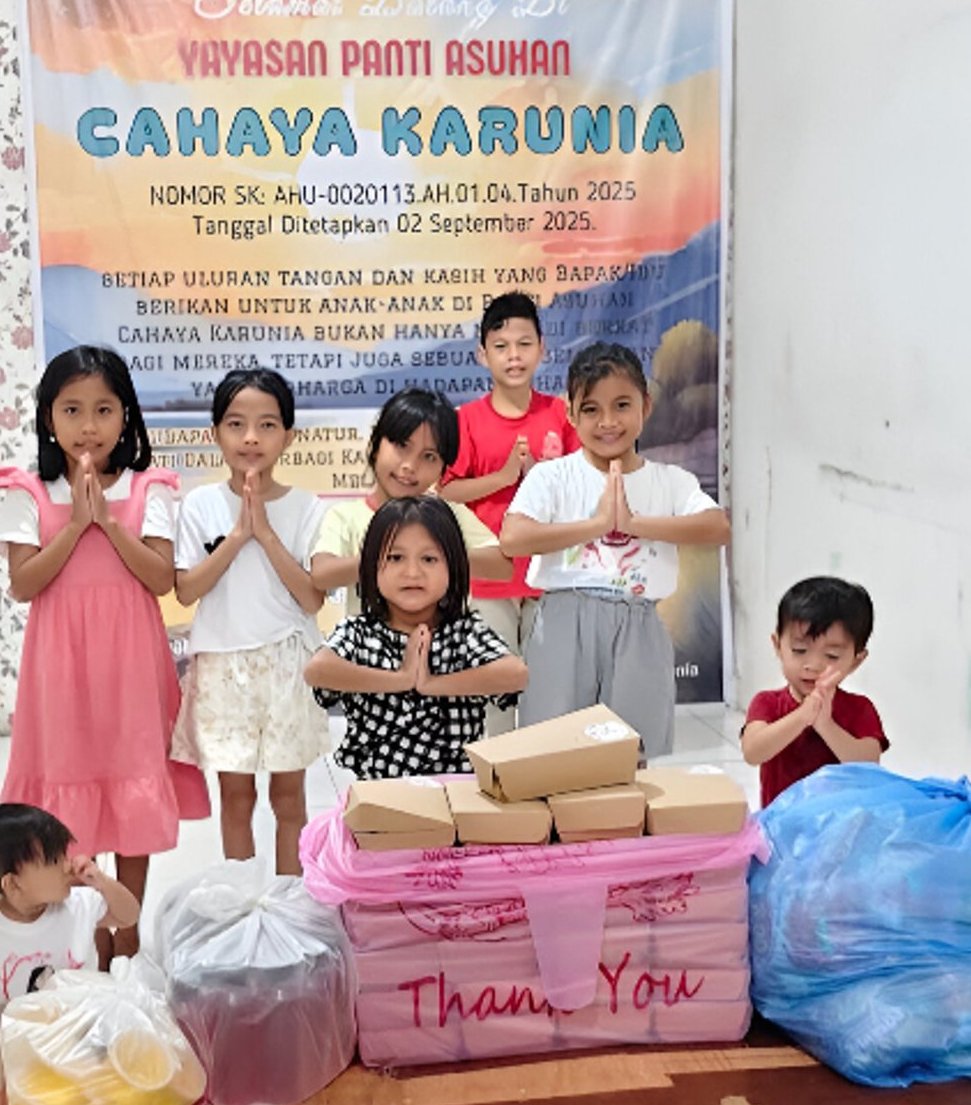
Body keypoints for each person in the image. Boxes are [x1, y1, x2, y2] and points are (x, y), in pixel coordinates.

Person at [0, 344, 203, 910]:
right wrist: (76, 525)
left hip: (131, 663)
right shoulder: (27, 491)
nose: (89, 426)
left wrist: (107, 523)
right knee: (67, 786)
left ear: (125, 415)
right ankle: (79, 930)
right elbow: (24, 583)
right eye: (72, 410)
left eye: (104, 410)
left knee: (131, 778)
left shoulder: (147, 487)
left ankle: (125, 930)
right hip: (59, 664)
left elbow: (159, 578)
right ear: (48, 416)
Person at [501, 338, 730, 759]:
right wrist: (597, 525)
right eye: (591, 409)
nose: (608, 422)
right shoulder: (552, 477)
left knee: (636, 750)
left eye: (622, 405)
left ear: (646, 405)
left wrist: (633, 524)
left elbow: (717, 527)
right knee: (550, 749)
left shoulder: (670, 480)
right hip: (563, 620)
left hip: (639, 622)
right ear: (571, 414)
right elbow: (514, 537)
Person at [172, 367, 327, 873]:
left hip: (288, 663)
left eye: (267, 425)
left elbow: (311, 598)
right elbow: (187, 589)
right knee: (236, 799)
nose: (251, 437)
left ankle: (289, 903)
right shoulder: (201, 504)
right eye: (236, 424)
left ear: (289, 435)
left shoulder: (307, 507)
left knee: (289, 798)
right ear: (215, 433)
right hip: (223, 666)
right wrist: (239, 535)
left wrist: (265, 532)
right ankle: (241, 902)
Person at [305, 495, 525, 779]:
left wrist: (431, 684)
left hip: (453, 792)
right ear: (371, 566)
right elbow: (317, 670)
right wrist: (401, 679)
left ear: (454, 567)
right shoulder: (359, 631)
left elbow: (514, 674)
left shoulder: (463, 632)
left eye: (429, 559)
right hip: (379, 793)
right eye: (395, 558)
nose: (412, 572)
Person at [446, 291, 578, 730]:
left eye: (524, 344)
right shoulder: (466, 420)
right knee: (493, 702)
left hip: (549, 578)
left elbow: (583, 488)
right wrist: (503, 477)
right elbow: (447, 491)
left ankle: (541, 770)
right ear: (482, 355)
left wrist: (542, 475)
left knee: (547, 697)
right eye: (501, 346)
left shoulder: (562, 415)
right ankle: (494, 771)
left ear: (542, 348)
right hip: (488, 581)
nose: (514, 356)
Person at [311, 388, 502, 624]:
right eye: (402, 445)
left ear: (443, 468)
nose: (410, 466)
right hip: (371, 647)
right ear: (375, 445)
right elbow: (322, 574)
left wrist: (439, 555)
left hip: (445, 645)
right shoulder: (346, 516)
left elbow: (502, 565)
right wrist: (386, 556)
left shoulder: (449, 514)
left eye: (429, 456)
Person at [0, 802, 140, 1023]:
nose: (67, 866)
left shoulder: (78, 904)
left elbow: (129, 916)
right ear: (13, 884)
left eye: (65, 854)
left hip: (84, 1023)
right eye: (55, 860)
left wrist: (102, 882)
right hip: (20, 1032)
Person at [741, 575, 887, 808]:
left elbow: (869, 765)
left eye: (832, 656)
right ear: (778, 646)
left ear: (855, 661)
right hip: (780, 825)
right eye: (799, 650)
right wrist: (802, 716)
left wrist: (825, 724)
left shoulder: (860, 709)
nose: (813, 665)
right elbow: (753, 752)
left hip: (839, 825)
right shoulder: (767, 703)